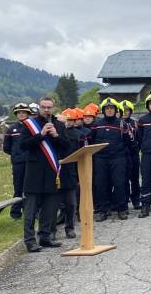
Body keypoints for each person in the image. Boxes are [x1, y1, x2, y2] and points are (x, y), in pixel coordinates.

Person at [19, 97, 71, 252]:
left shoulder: (59, 125)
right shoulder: (29, 124)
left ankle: (45, 237)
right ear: (39, 108)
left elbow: (66, 147)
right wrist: (40, 135)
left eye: (49, 107)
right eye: (43, 107)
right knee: (31, 210)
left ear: (53, 108)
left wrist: (56, 136)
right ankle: (29, 240)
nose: (46, 110)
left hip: (52, 173)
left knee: (50, 208)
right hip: (34, 173)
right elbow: (23, 145)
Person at [92, 98, 132, 221]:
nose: (109, 110)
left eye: (112, 108)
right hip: (100, 158)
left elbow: (128, 141)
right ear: (103, 110)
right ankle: (101, 210)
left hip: (118, 158)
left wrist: (121, 153)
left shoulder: (122, 124)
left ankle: (121, 209)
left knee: (119, 183)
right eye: (107, 108)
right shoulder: (97, 124)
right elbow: (92, 141)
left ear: (115, 110)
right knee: (100, 184)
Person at [56, 108, 86, 240]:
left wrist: (80, 175)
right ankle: (51, 230)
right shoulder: (55, 133)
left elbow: (81, 154)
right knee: (54, 203)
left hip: (71, 171)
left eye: (71, 120)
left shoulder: (78, 135)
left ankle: (70, 228)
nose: (67, 123)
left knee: (71, 203)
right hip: (56, 170)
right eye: (65, 121)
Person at [3, 103, 32, 219]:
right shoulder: (11, 129)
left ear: (28, 114)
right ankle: (15, 213)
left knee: (29, 187)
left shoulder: (32, 127)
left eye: (24, 112)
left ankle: (29, 211)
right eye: (19, 113)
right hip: (18, 163)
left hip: (31, 162)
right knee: (18, 187)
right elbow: (6, 147)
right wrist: (16, 154)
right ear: (16, 115)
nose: (21, 114)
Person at [119, 100, 140, 211]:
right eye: (122, 110)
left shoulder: (135, 123)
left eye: (127, 110)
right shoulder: (117, 123)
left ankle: (136, 199)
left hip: (134, 154)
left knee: (135, 178)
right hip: (122, 154)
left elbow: (140, 138)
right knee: (123, 179)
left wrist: (137, 149)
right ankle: (125, 200)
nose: (124, 112)